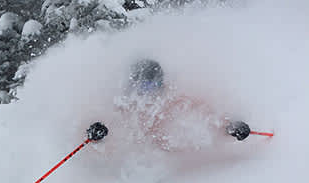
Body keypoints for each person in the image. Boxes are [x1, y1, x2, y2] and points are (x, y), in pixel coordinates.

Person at [87, 59, 251, 145]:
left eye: (153, 85)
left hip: (169, 160)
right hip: (133, 162)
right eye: (144, 85)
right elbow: (108, 125)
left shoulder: (173, 98)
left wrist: (231, 126)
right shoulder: (122, 104)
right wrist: (97, 133)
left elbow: (207, 114)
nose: (149, 91)